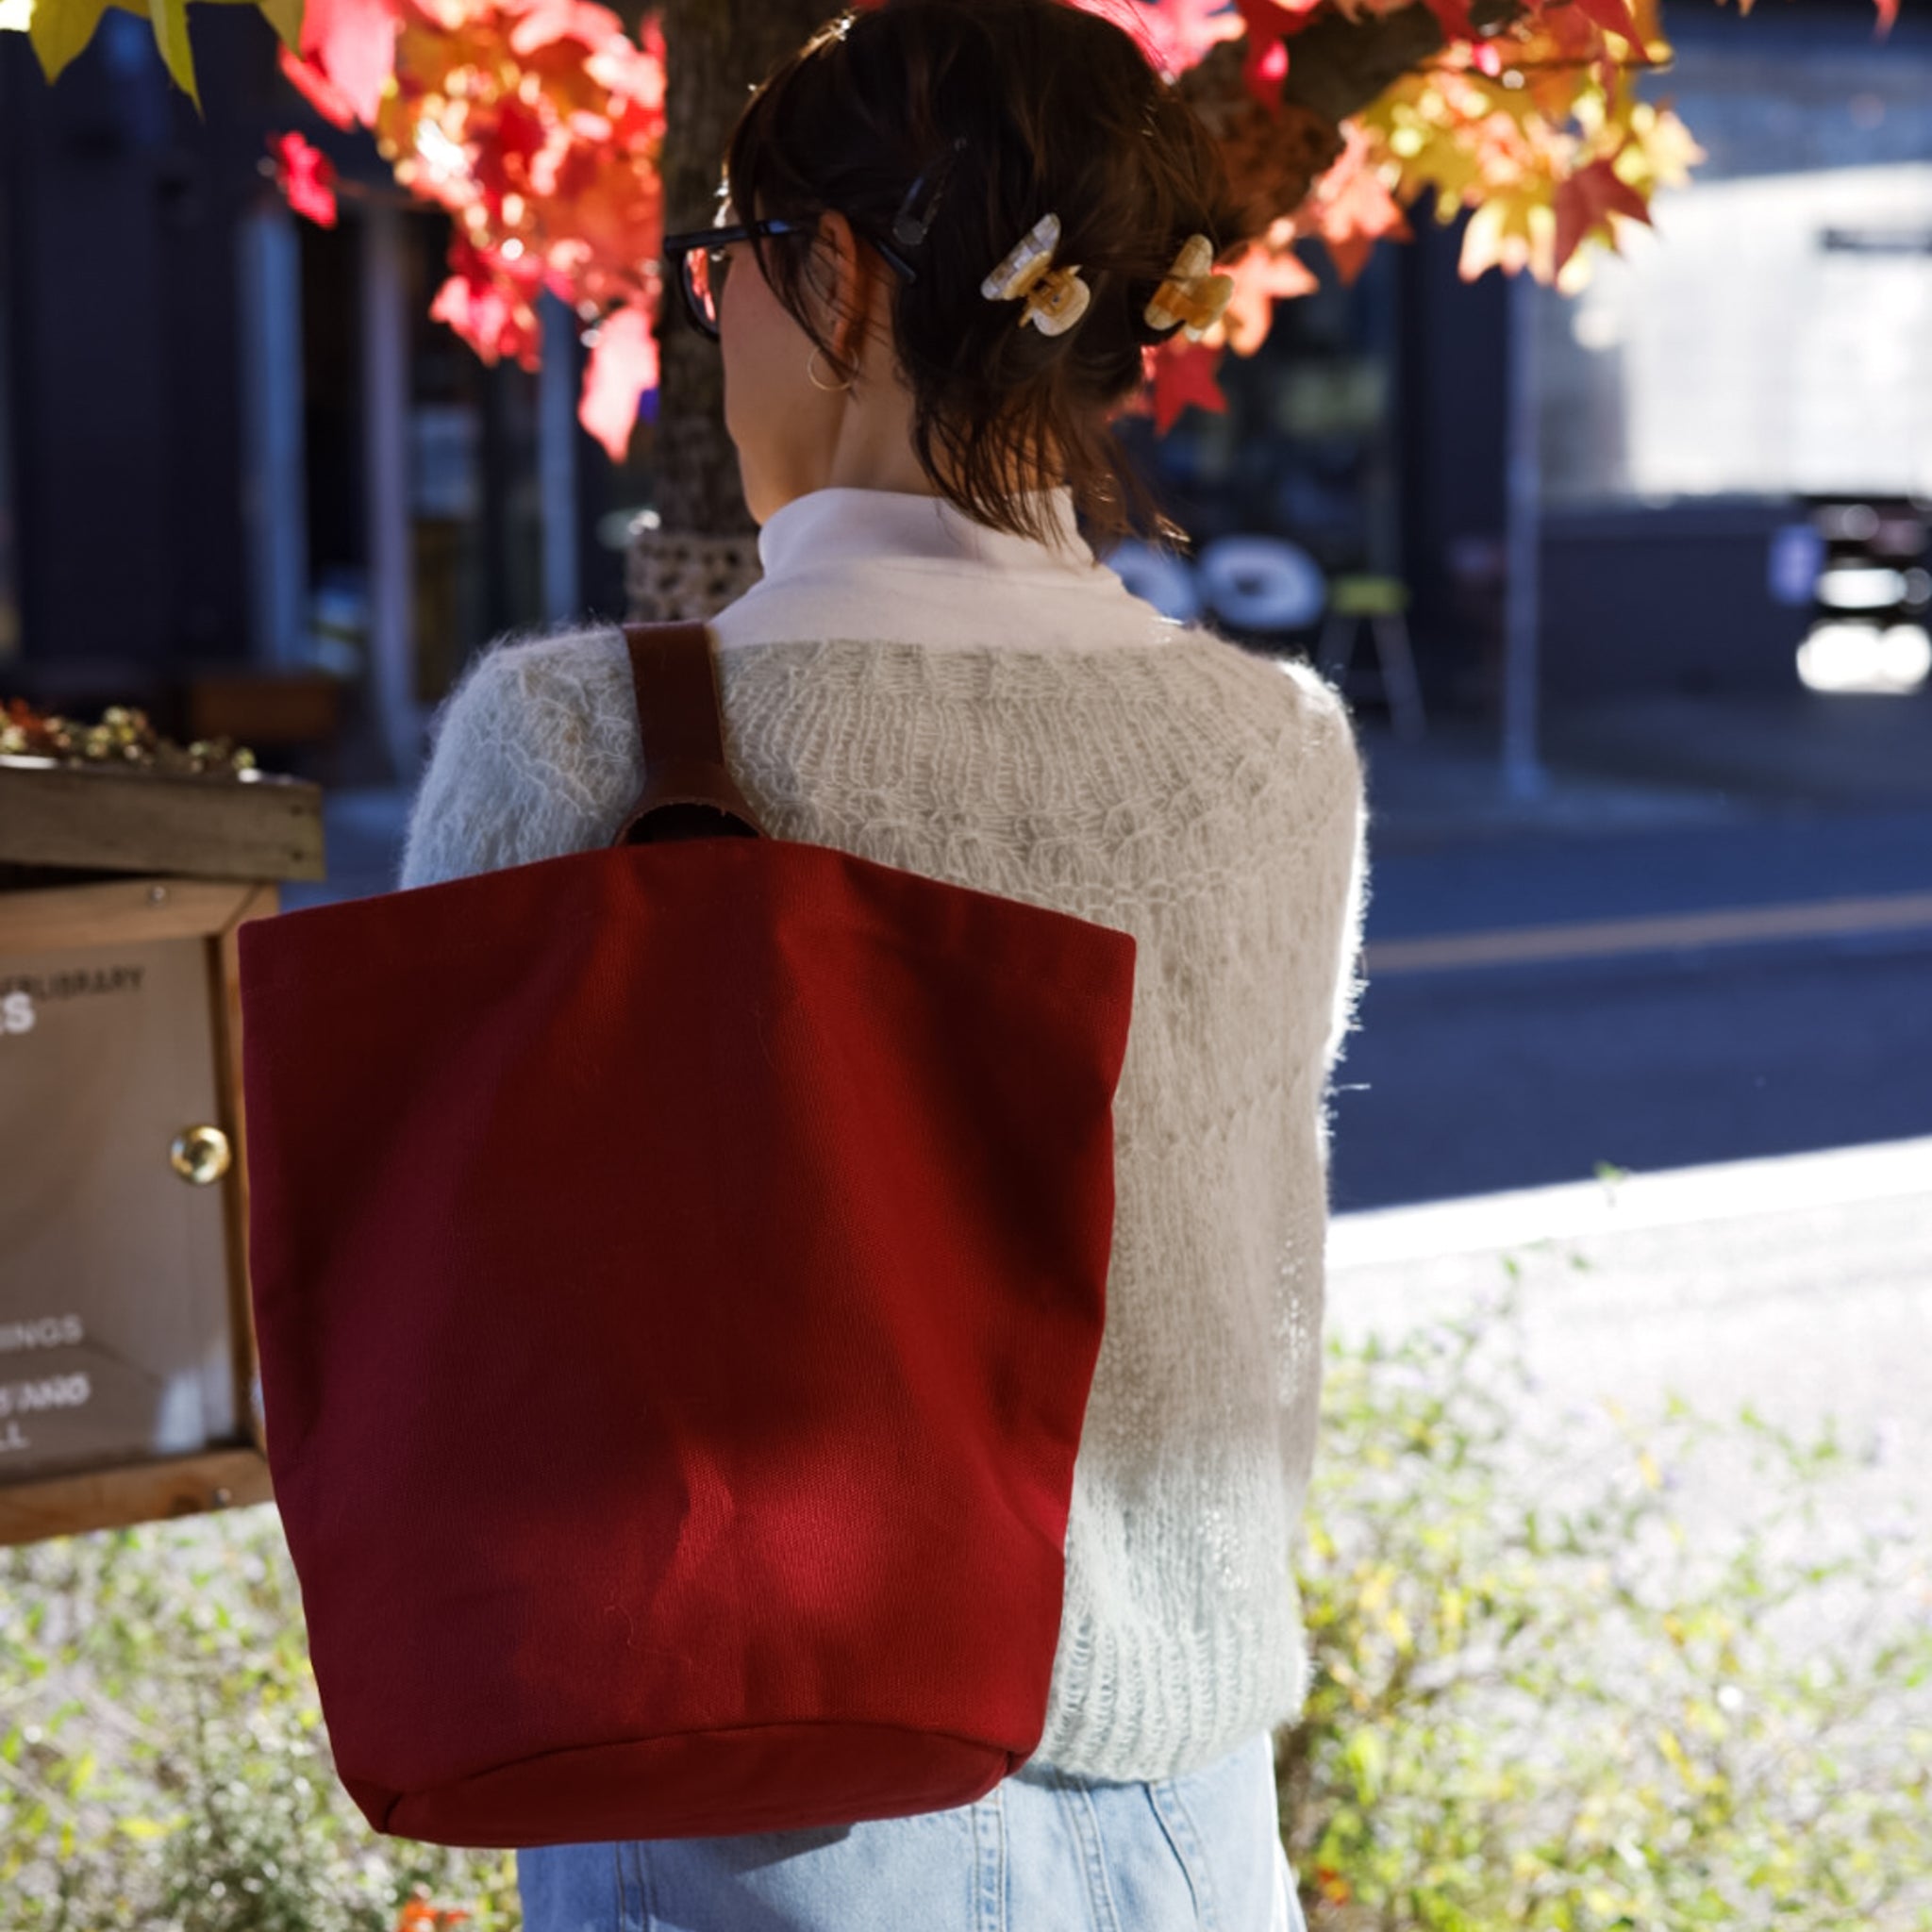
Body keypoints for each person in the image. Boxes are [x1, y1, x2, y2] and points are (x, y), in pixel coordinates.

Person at [397, 0, 1372, 1924]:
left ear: (832, 277)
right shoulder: (1276, 746)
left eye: (725, 267)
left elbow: (444, 1276)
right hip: (1184, 1801)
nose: (707, 319)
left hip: (748, 1781)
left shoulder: (582, 737)